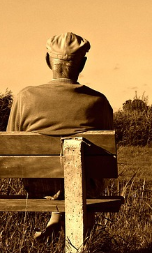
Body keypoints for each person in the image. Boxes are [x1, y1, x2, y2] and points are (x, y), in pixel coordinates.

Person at [7, 32, 114, 240]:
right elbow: (107, 153)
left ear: (48, 61)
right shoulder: (98, 102)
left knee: (59, 174)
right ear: (82, 64)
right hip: (85, 185)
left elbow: (10, 144)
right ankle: (82, 247)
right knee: (83, 173)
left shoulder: (25, 97)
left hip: (38, 184)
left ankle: (55, 222)